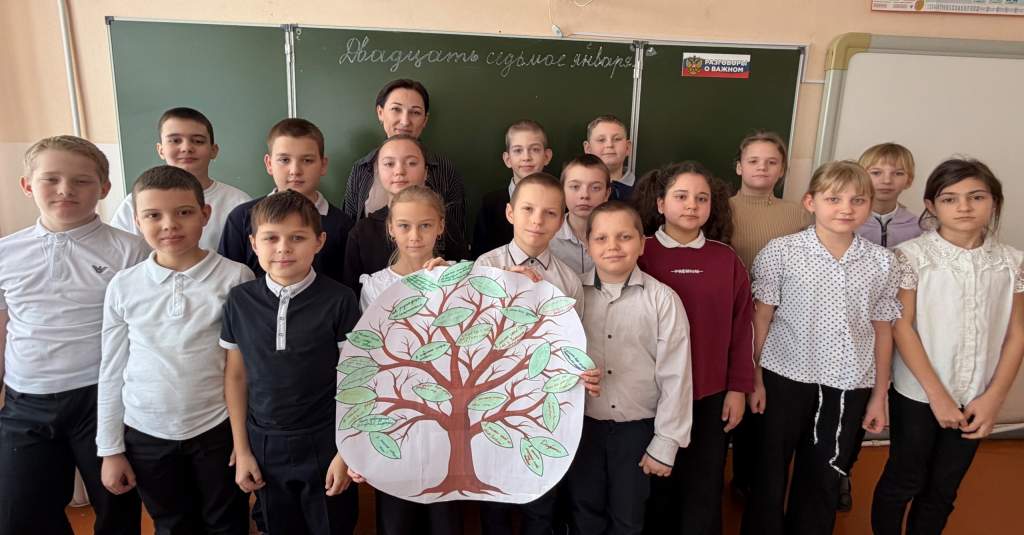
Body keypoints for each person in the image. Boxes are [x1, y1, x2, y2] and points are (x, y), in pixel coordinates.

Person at [740, 161, 899, 535]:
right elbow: (761, 318)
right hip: (783, 376)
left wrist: (879, 395)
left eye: (858, 200)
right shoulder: (782, 252)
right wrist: (755, 378)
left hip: (848, 384)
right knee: (768, 471)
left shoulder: (882, 262)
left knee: (825, 475)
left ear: (869, 204)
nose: (846, 208)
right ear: (811, 202)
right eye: (834, 199)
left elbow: (883, 331)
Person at [0, 135, 147, 535]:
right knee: (20, 516)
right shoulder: (6, 253)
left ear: (105, 188)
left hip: (103, 398)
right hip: (25, 402)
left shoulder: (130, 251)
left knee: (117, 510)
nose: (66, 190)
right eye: (51, 179)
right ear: (27, 185)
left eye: (82, 181)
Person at [871, 159, 1024, 535]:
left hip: (977, 394)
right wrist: (937, 396)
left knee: (943, 489)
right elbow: (902, 326)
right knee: (903, 480)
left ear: (994, 201)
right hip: (919, 394)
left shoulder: (1012, 262)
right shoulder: (911, 256)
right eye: (950, 199)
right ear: (931, 205)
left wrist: (994, 398)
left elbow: (1016, 333)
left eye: (977, 197)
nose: (964, 207)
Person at [97, 165, 253, 534]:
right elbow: (112, 368)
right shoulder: (123, 285)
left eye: (183, 212)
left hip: (216, 429)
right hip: (146, 432)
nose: (169, 225)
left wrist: (243, 439)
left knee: (227, 522)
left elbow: (245, 368)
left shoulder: (236, 277)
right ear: (137, 221)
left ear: (205, 214)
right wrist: (110, 448)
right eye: (154, 215)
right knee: (171, 524)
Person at [223, 191, 361, 534]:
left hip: (326, 440)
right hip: (263, 443)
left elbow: (356, 379)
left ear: (319, 241)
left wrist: (346, 452)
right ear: (253, 243)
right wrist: (242, 449)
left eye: (297, 238)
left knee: (333, 524)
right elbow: (236, 376)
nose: (283, 248)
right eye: (271, 238)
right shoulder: (239, 301)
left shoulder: (340, 299)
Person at [475, 172, 600, 535]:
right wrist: (504, 288)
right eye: (528, 209)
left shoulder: (568, 280)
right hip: (492, 405)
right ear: (510, 213)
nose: (537, 220)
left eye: (549, 213)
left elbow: (573, 345)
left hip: (543, 409)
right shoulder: (485, 266)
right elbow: (472, 336)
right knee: (495, 502)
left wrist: (582, 371)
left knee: (540, 505)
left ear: (560, 221)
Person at [633, 161, 753, 535]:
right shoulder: (640, 252)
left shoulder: (726, 258)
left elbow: (742, 329)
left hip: (710, 394)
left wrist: (738, 388)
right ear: (660, 203)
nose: (691, 205)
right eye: (681, 196)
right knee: (655, 487)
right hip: (652, 394)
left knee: (703, 486)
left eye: (701, 198)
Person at [565, 201, 692, 534]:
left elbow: (676, 375)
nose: (613, 246)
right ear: (588, 245)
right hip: (581, 427)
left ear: (642, 243)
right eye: (601, 238)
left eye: (624, 237)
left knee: (629, 516)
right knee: (584, 511)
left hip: (636, 430)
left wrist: (666, 441)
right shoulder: (570, 296)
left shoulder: (663, 299)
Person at [349, 184, 463, 535]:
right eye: (404, 226)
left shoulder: (461, 277)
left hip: (448, 419)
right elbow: (368, 363)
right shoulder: (374, 287)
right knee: (396, 520)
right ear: (390, 228)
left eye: (425, 225)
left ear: (441, 226)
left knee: (445, 520)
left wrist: (447, 284)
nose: (415, 236)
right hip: (396, 420)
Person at [727, 130, 812, 498]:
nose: (762, 168)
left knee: (765, 407)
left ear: (783, 170)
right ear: (739, 167)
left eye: (771, 162)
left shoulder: (799, 214)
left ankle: (751, 480)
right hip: (731, 319)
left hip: (780, 324)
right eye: (753, 161)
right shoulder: (719, 208)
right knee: (733, 398)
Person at [840, 141, 922, 511]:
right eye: (876, 172)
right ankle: (834, 471)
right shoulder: (846, 217)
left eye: (897, 173)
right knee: (848, 407)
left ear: (909, 179)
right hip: (852, 330)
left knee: (881, 403)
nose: (886, 180)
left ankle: (848, 470)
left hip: (901, 330)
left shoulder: (921, 227)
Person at [219, 118, 352, 284]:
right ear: (269, 164)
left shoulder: (343, 225)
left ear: (323, 165)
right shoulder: (242, 217)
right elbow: (227, 280)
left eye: (307, 160)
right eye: (284, 160)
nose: (295, 170)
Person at [343, 79, 466, 244]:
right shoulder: (362, 168)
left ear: (425, 119)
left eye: (415, 112)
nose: (405, 121)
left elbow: (456, 236)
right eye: (396, 109)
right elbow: (350, 231)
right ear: (380, 112)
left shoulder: (444, 169)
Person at [342, 135, 467, 296]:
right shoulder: (362, 231)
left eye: (411, 163)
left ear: (426, 172)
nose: (400, 171)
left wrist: (451, 279)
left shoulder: (446, 224)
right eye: (389, 164)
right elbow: (352, 295)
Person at [110, 107, 251, 250]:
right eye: (175, 140)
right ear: (161, 150)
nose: (186, 148)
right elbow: (120, 253)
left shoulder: (238, 202)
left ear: (213, 150)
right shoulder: (136, 202)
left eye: (198, 141)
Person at [472, 120, 553, 257]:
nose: (526, 157)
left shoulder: (561, 202)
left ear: (547, 156)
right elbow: (480, 256)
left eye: (535, 149)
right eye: (518, 150)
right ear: (507, 159)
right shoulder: (490, 204)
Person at [549, 154, 611, 276]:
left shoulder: (619, 236)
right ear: (562, 191)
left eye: (595, 188)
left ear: (606, 194)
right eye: (575, 187)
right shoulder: (547, 236)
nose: (584, 195)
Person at [582, 115, 634, 200]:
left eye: (617, 139)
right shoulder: (575, 191)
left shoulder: (645, 191)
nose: (609, 145)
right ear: (588, 148)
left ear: (627, 148)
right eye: (601, 140)